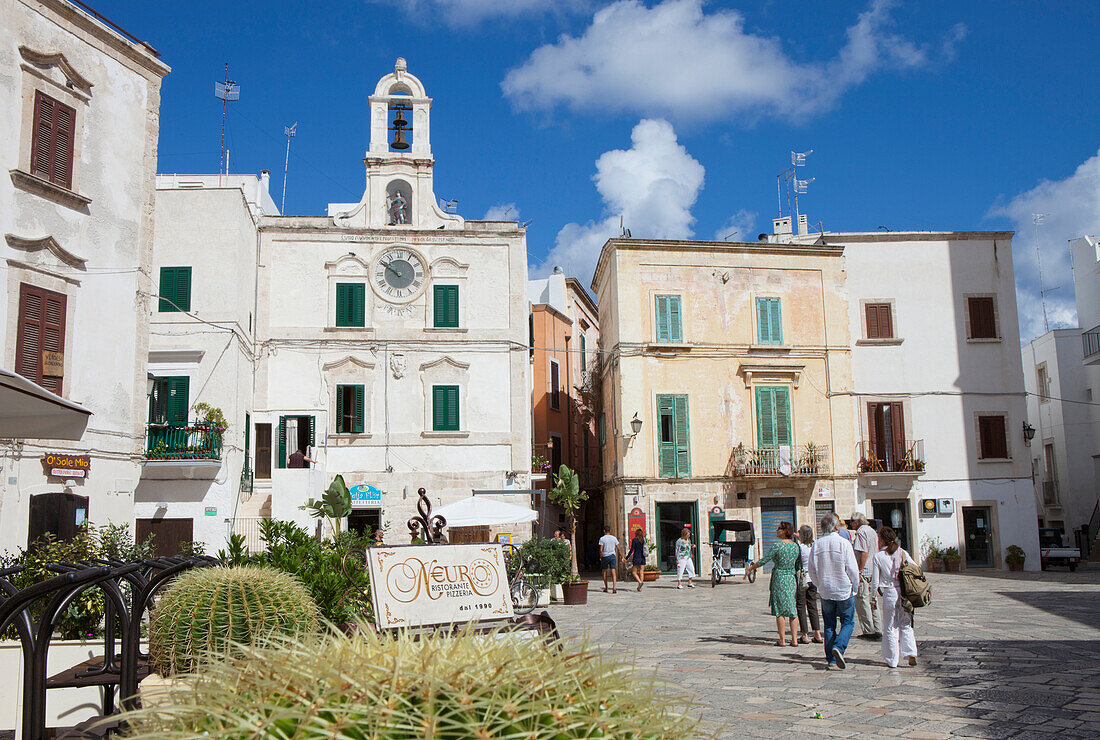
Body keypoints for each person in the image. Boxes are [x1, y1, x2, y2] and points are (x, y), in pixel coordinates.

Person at [808, 514, 859, 669]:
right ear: (837, 527)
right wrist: (854, 587)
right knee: (848, 622)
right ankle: (839, 646)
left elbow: (811, 570)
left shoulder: (817, 545)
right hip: (843, 588)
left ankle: (830, 658)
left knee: (829, 625)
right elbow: (852, 569)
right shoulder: (844, 543)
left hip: (826, 590)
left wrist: (820, 584)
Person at [871, 526, 918, 668]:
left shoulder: (879, 557)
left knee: (890, 626)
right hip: (904, 592)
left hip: (890, 592)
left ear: (882, 540)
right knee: (905, 623)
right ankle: (910, 652)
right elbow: (915, 569)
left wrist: (873, 597)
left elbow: (875, 581)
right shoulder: (903, 553)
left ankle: (892, 659)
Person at [747, 522, 799, 646]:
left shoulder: (777, 546)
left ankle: (782, 639)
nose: (776, 530)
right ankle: (794, 639)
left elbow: (764, 560)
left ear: (784, 531)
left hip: (779, 578)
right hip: (791, 578)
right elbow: (797, 565)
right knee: (792, 608)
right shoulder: (796, 547)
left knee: (780, 610)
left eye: (779, 529)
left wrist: (751, 568)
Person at [850, 512, 883, 640]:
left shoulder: (860, 532)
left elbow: (863, 553)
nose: (851, 523)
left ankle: (868, 630)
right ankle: (878, 628)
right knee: (873, 600)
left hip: (865, 571)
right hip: (873, 570)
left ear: (858, 521)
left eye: (852, 521)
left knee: (862, 601)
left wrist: (859, 570)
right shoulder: (872, 531)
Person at [795, 525, 823, 645]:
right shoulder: (816, 545)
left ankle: (804, 634)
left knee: (801, 606)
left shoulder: (799, 548)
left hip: (803, 579)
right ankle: (817, 633)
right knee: (812, 606)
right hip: (814, 579)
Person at [598, 526, 622, 593]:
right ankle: (614, 587)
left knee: (604, 572)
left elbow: (601, 549)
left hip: (605, 556)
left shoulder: (602, 539)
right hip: (612, 556)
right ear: (610, 531)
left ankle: (606, 587)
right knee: (613, 572)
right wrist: (622, 556)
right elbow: (618, 548)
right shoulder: (614, 538)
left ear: (604, 531)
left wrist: (601, 556)